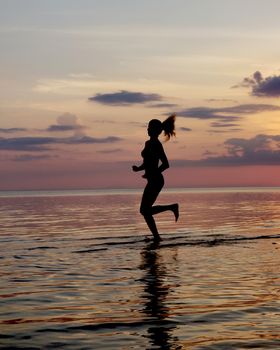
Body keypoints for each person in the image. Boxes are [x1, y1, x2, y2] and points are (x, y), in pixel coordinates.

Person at [132, 114, 179, 241]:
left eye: (149, 127)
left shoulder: (157, 144)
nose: (147, 129)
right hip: (153, 179)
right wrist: (138, 169)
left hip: (157, 180)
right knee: (145, 211)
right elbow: (147, 162)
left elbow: (166, 164)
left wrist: (154, 173)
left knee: (144, 210)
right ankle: (157, 237)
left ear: (155, 130)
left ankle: (171, 208)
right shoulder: (148, 143)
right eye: (147, 127)